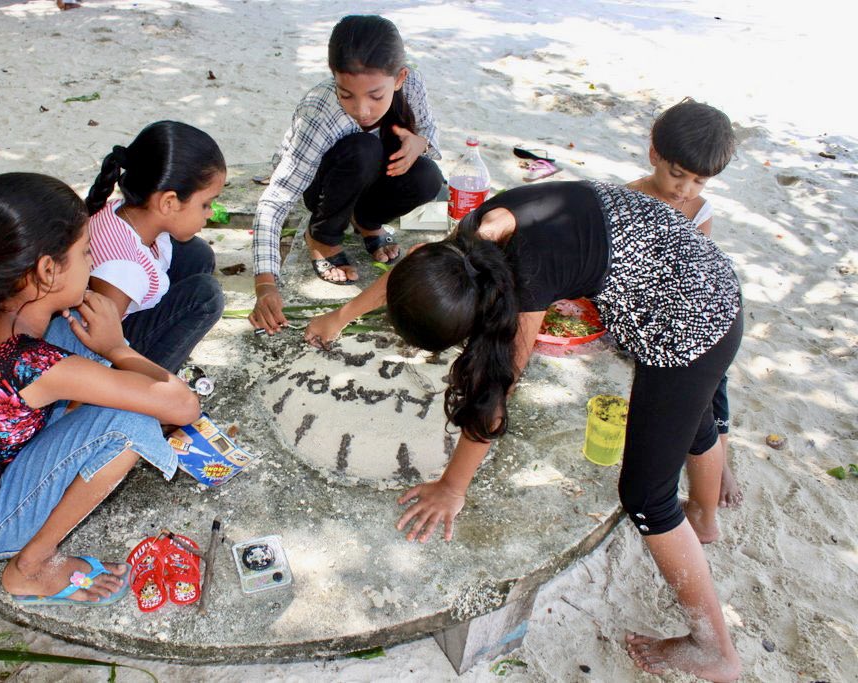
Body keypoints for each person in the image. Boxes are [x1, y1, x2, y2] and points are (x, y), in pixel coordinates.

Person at [304, 180, 743, 682]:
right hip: (705, 277)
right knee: (689, 421)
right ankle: (704, 520)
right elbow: (418, 264)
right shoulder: (472, 242)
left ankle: (715, 648)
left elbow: (496, 389)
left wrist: (452, 487)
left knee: (646, 494)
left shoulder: (525, 281)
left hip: (691, 319)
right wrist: (340, 316)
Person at [0, 173, 201, 605]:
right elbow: (183, 406)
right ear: (47, 271)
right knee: (129, 422)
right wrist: (117, 346)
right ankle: (31, 567)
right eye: (86, 253)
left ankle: (68, 431)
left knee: (76, 338)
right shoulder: (32, 365)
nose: (93, 262)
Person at [250, 14, 444, 333]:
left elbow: (431, 137)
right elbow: (275, 202)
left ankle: (367, 221)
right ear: (334, 77)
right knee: (362, 150)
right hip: (325, 182)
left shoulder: (412, 84)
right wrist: (266, 285)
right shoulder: (320, 111)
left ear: (399, 78)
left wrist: (419, 143)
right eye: (347, 94)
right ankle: (323, 236)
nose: (362, 109)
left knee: (428, 176)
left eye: (376, 96)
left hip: (373, 177)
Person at [628, 97, 741, 508]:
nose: (685, 189)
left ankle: (721, 460)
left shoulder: (699, 209)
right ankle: (709, 460)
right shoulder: (628, 198)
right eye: (678, 174)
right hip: (645, 315)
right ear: (655, 154)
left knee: (715, 382)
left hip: (689, 312)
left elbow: (699, 268)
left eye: (699, 181)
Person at [84, 121, 226, 374]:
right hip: (110, 353)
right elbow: (96, 353)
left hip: (125, 313)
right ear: (169, 202)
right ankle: (153, 381)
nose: (210, 213)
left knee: (196, 254)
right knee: (206, 296)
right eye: (206, 204)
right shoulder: (121, 270)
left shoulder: (122, 212)